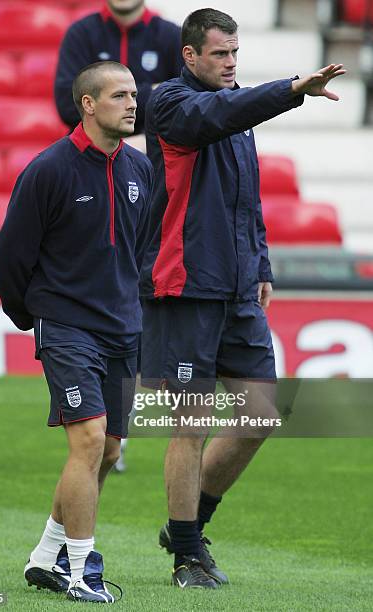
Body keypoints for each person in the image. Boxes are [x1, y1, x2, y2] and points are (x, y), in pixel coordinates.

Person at [140, 8, 346, 589]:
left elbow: (244, 199)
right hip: (185, 285)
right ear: (189, 55)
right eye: (220, 55)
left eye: (236, 55)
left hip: (235, 287)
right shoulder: (171, 105)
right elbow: (222, 113)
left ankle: (188, 522)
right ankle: (186, 556)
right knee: (191, 421)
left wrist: (260, 263)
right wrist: (292, 89)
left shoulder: (231, 109)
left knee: (262, 414)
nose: (231, 65)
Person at [0, 61, 153, 603]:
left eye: (134, 95)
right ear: (88, 104)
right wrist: (33, 316)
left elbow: (144, 250)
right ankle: (83, 569)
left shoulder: (140, 170)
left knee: (108, 449)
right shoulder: (48, 170)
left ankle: (46, 558)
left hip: (123, 328)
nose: (132, 104)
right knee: (86, 440)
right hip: (66, 325)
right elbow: (11, 257)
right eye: (118, 96)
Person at [54, 0, 184, 136]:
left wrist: (147, 141)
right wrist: (154, 94)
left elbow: (183, 105)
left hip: (151, 149)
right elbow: (68, 106)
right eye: (118, 96)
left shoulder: (172, 36)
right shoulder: (80, 34)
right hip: (91, 151)